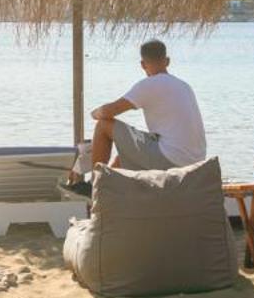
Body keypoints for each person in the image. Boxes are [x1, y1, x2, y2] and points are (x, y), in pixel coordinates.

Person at [66, 39, 207, 196]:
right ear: (167, 61)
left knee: (103, 125)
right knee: (128, 149)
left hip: (171, 159)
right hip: (195, 162)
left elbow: (108, 112)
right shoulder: (184, 86)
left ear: (143, 64)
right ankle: (107, 187)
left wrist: (94, 113)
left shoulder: (149, 84)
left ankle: (94, 186)